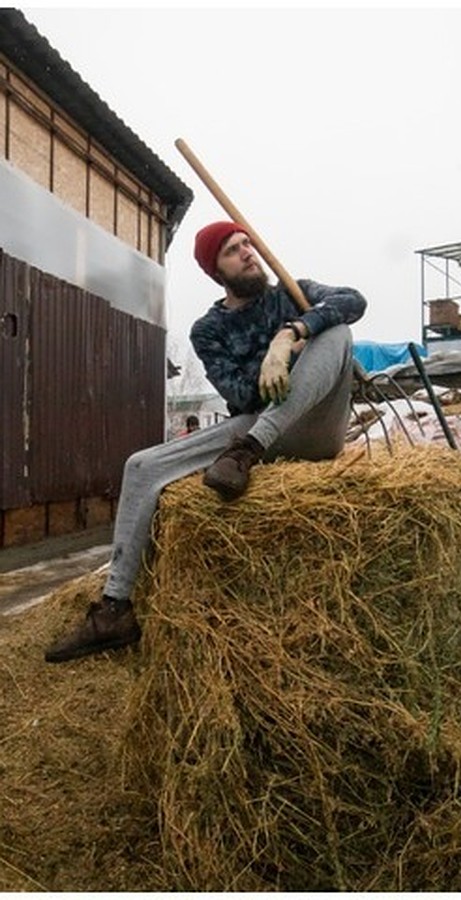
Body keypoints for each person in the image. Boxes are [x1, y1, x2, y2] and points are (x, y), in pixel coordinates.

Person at [45, 221, 366, 663]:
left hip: (312, 427)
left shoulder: (293, 292)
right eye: (233, 251)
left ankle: (246, 451)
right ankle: (115, 609)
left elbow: (355, 301)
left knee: (337, 330)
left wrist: (288, 336)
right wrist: (265, 369)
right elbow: (239, 396)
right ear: (217, 272)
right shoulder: (209, 329)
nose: (248, 252)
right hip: (256, 426)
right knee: (140, 466)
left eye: (248, 243)